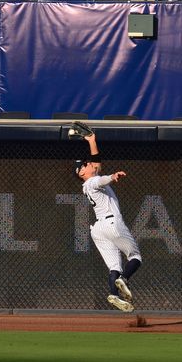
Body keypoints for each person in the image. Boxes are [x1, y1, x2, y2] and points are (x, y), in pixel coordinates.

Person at [74, 131, 142, 312]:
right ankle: (124, 280)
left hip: (98, 229)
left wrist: (92, 141)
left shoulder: (87, 183)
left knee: (114, 266)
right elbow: (101, 179)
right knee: (135, 257)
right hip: (112, 223)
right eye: (85, 165)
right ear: (81, 172)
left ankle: (113, 294)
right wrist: (112, 177)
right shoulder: (91, 182)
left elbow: (96, 163)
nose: (89, 164)